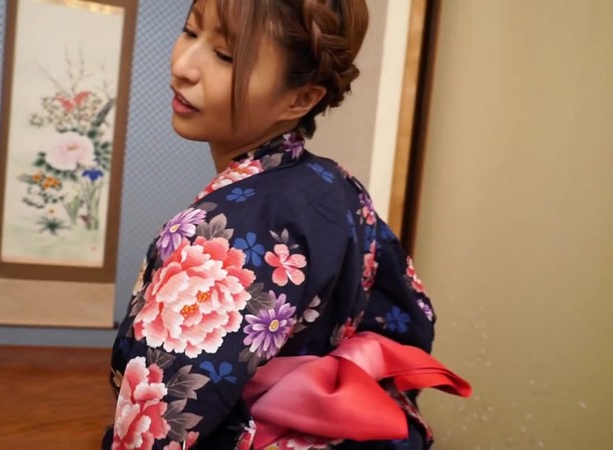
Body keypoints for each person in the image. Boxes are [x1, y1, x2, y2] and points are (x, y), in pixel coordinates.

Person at [103, 1, 469, 448]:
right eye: (191, 31)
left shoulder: (227, 236)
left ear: (302, 98)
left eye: (226, 56)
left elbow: (160, 424)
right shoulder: (339, 187)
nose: (183, 66)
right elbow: (409, 318)